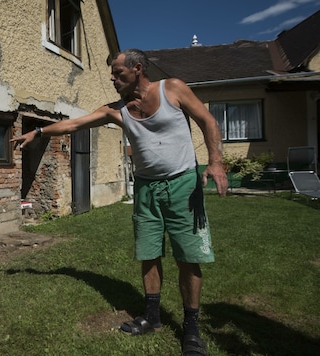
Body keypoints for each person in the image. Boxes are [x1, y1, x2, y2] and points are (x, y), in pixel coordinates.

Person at [12, 48, 227, 356]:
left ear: (138, 69)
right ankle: (152, 318)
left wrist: (216, 161)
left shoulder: (173, 89)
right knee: (148, 254)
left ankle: (191, 331)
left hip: (183, 185)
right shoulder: (117, 110)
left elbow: (208, 121)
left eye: (118, 73)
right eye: (112, 74)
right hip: (145, 189)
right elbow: (76, 124)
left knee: (188, 258)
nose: (112, 78)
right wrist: (39, 131)